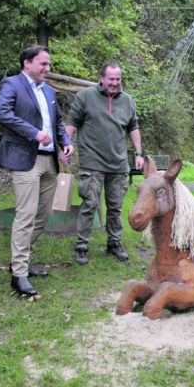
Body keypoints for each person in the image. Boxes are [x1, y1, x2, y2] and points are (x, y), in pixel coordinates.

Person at [0, 45, 74, 297]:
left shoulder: (49, 91)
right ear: (27, 63)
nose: (48, 69)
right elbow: (1, 112)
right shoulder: (12, 84)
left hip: (49, 161)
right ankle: (18, 275)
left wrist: (66, 143)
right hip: (25, 159)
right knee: (25, 216)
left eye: (49, 64)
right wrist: (33, 132)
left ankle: (22, 260)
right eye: (43, 64)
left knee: (43, 214)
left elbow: (58, 123)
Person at [65, 63, 143, 265]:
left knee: (115, 207)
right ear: (102, 78)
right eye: (111, 79)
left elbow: (133, 127)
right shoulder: (86, 96)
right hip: (92, 163)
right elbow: (72, 122)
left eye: (118, 79)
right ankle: (82, 246)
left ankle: (114, 243)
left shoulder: (128, 101)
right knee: (89, 205)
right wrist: (65, 147)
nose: (115, 83)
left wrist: (139, 153)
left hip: (118, 165)